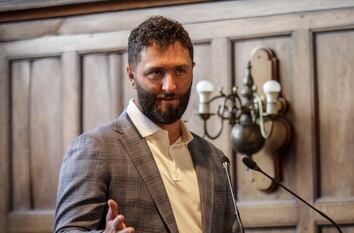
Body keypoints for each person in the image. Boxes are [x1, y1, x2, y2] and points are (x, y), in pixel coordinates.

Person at [54, 16, 236, 233]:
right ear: (131, 74)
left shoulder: (214, 158)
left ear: (192, 70)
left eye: (180, 71)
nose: (170, 86)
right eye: (156, 72)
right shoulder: (95, 148)